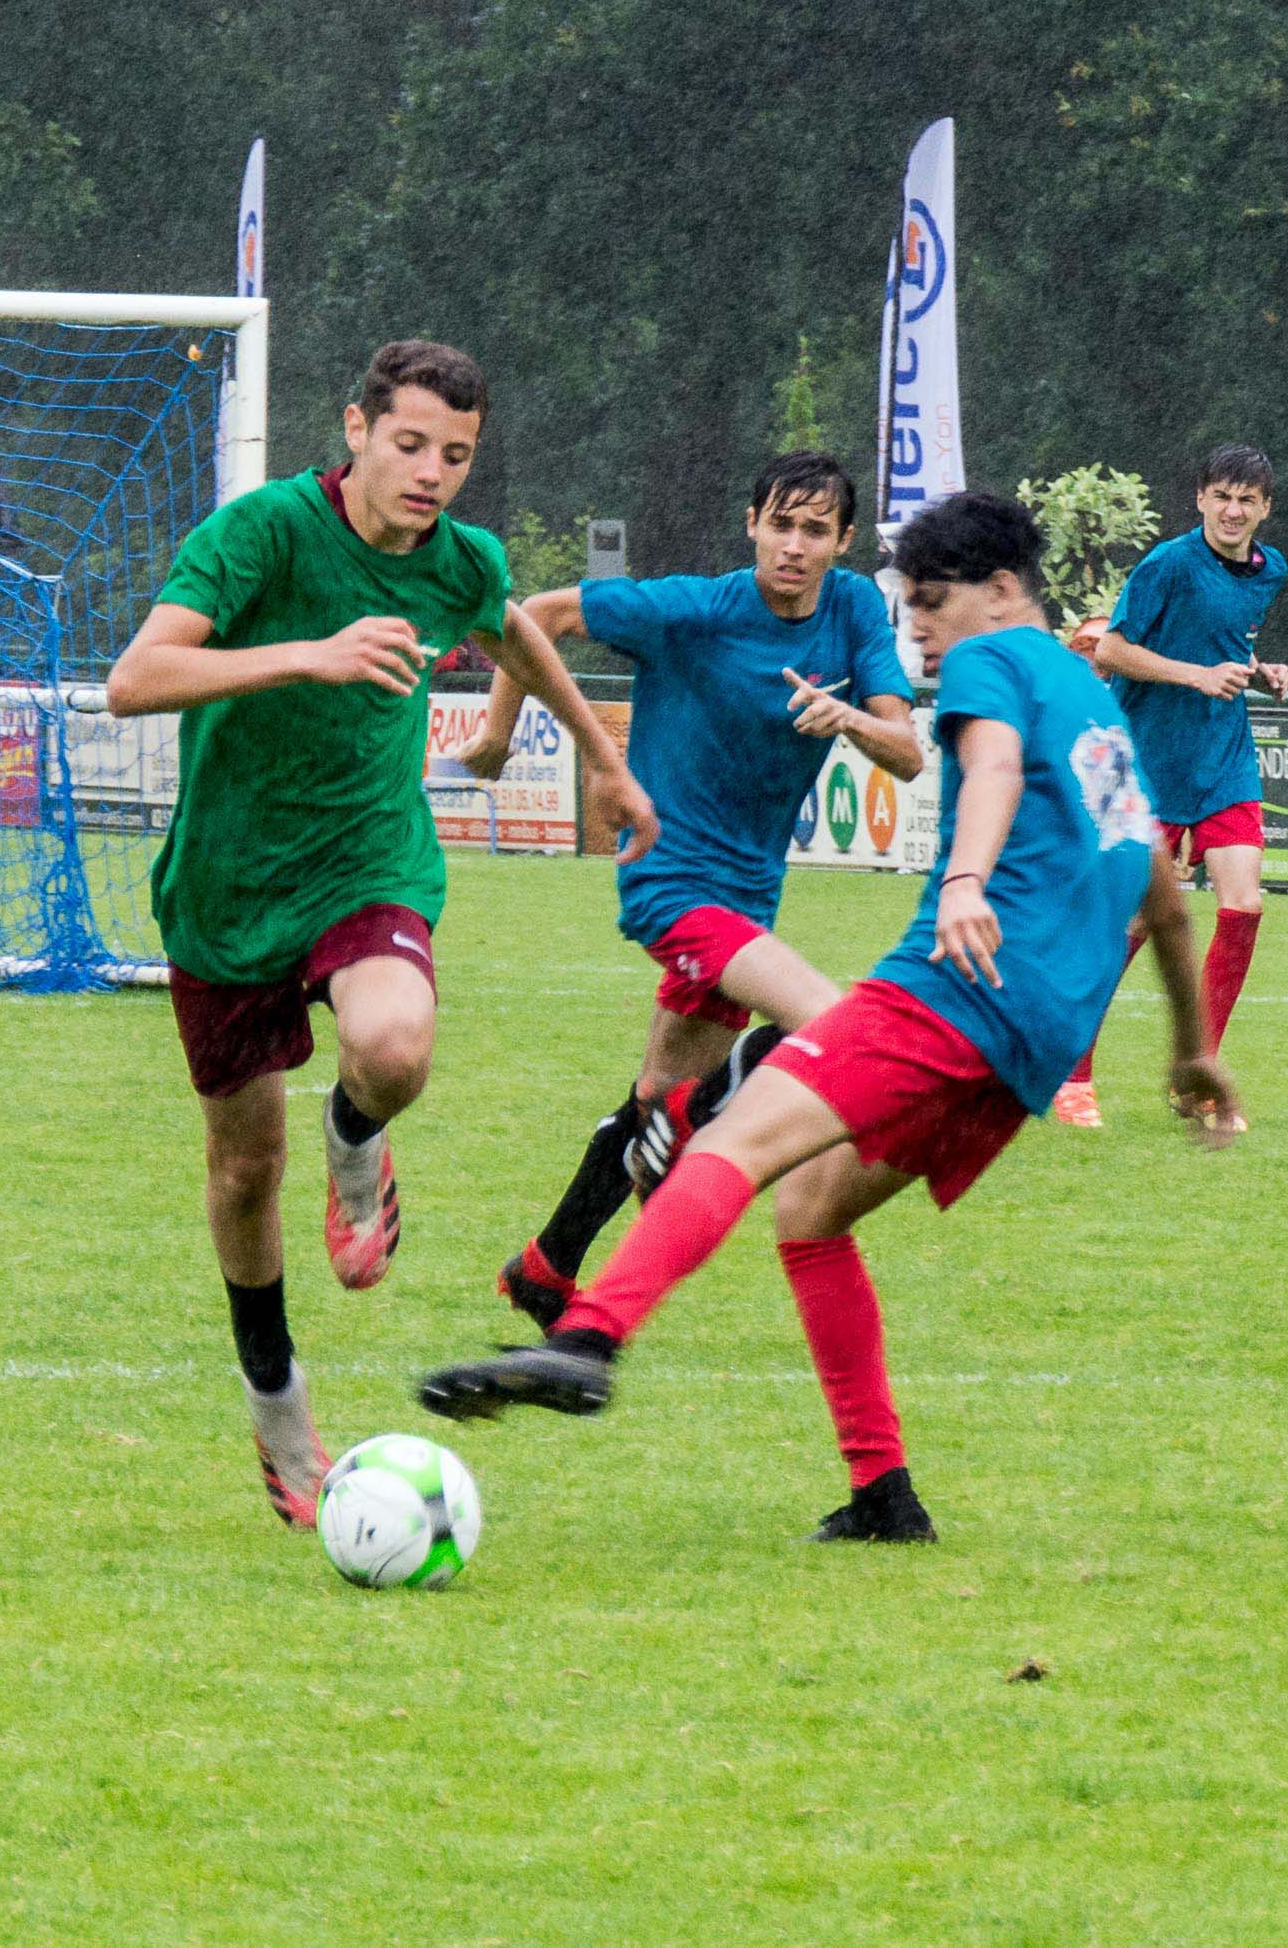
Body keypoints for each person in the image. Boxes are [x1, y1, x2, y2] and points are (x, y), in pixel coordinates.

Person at [414, 491, 1240, 1542]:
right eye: (909, 605)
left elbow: (982, 769)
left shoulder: (991, 661)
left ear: (998, 592)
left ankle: (585, 1340)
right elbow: (1163, 892)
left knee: (742, 1135)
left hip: (956, 990)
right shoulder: (1093, 704)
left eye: (933, 602)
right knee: (811, 1215)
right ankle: (883, 1498)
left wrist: (965, 879)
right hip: (1026, 1053)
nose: (920, 628)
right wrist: (1192, 1051)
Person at [100, 338, 658, 1530]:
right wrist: (312, 651)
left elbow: (512, 629)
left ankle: (357, 1142)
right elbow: (134, 679)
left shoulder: (459, 559)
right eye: (409, 444)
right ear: (354, 429)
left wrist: (600, 761)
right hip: (227, 889)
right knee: (245, 1171)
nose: (432, 474)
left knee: (396, 1047)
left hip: (367, 863)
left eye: (455, 455)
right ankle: (277, 1401)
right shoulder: (257, 534)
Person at [461, 450, 919, 1332]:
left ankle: (547, 1267)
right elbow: (536, 615)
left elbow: (905, 751)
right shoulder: (693, 609)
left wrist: (852, 716)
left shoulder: (856, 607)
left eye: (814, 530)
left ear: (843, 540)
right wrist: (495, 730)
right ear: (751, 524)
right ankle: (687, 1116)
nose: (794, 545)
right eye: (779, 524)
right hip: (669, 883)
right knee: (829, 1025)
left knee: (651, 1102)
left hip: (749, 898)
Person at [1054, 445, 1288, 1128]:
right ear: (1200, 499)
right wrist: (1196, 673)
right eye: (1222, 495)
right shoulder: (1166, 563)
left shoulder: (1270, 570)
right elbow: (1112, 650)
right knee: (1134, 921)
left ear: (1264, 508)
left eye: (1246, 498)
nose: (1233, 509)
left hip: (1223, 758)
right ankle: (1073, 1074)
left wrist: (1258, 670)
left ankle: (1200, 1075)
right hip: (1148, 762)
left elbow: (1225, 640)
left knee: (1243, 904)